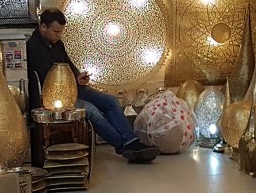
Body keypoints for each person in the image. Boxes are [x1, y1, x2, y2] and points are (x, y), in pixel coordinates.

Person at [26, 9, 159, 162]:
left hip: (75, 88)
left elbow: (68, 65)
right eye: (56, 31)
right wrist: (73, 80)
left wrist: (79, 76)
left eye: (61, 32)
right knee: (91, 110)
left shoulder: (57, 43)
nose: (59, 35)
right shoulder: (34, 48)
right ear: (43, 27)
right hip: (57, 98)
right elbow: (50, 80)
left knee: (110, 101)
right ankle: (124, 146)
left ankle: (131, 140)